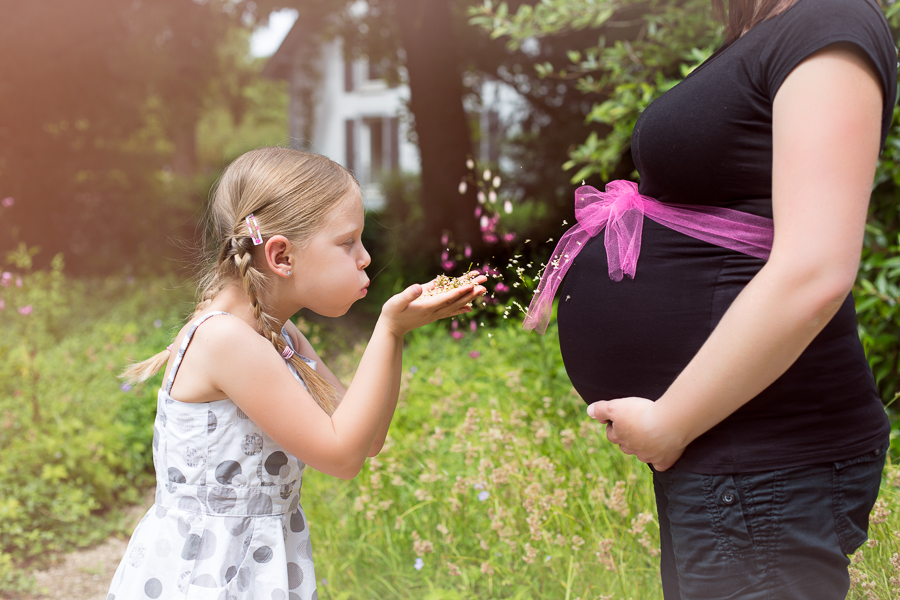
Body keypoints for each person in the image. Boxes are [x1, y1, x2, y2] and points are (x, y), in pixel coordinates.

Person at [527, 0, 897, 597]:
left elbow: (815, 270)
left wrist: (671, 421)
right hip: (730, 458)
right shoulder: (765, 31)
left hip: (766, 457)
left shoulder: (831, 20)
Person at [108, 147, 486, 599]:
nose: (364, 258)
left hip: (255, 564)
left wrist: (398, 335)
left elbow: (367, 440)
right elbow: (341, 457)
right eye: (348, 242)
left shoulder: (278, 334)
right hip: (209, 573)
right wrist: (387, 328)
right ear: (281, 256)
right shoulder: (224, 340)